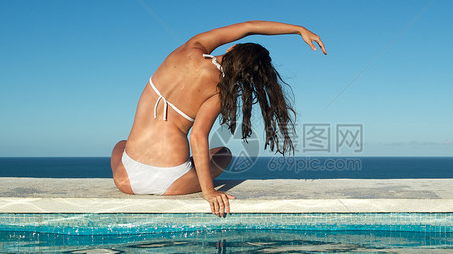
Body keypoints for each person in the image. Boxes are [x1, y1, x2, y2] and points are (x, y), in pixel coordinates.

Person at [111, 21, 326, 216]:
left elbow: (249, 26)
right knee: (224, 154)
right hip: (170, 181)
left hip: (127, 178)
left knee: (120, 145)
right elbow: (197, 136)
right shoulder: (219, 91)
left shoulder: (191, 47)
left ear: (232, 48)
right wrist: (209, 192)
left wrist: (299, 30)